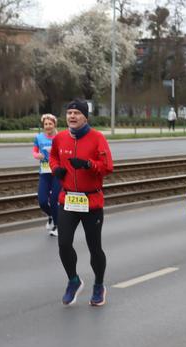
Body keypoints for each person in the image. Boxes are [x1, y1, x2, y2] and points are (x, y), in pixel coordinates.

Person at [49, 99, 114, 306]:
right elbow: (53, 158)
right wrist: (55, 169)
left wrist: (88, 164)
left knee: (94, 247)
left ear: (85, 116)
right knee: (63, 244)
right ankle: (74, 280)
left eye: (77, 113)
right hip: (68, 199)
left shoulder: (97, 138)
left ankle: (99, 285)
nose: (72, 116)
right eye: (69, 113)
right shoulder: (59, 138)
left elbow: (107, 167)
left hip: (91, 201)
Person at [33, 113, 61, 236]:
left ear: (54, 125)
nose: (48, 126)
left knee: (54, 199)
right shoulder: (39, 137)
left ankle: (57, 225)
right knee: (43, 201)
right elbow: (34, 151)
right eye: (46, 124)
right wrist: (37, 155)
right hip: (44, 172)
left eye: (50, 124)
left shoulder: (60, 137)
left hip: (56, 172)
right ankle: (50, 215)